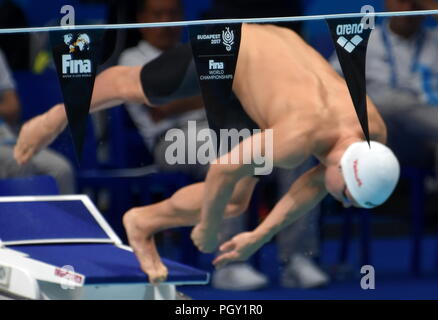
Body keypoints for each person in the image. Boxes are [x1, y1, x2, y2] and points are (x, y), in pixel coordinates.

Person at [14, 23, 400, 284]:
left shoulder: (372, 134)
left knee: (234, 202)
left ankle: (142, 223)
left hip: (262, 94)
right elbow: (222, 168)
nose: (345, 205)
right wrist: (209, 227)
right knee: (136, 87)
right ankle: (54, 116)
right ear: (347, 170)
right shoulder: (298, 138)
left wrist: (258, 236)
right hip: (235, 48)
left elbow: (316, 184)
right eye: (349, 196)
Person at [331, 0, 438, 168]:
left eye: (415, 4)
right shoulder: (363, 39)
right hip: (378, 125)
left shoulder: (435, 39)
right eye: (401, 1)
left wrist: (430, 5)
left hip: (425, 132)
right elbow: (331, 80)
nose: (407, 7)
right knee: (393, 104)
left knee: (403, 105)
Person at [0, 49, 75, 194]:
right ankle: (19, 216)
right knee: (19, 163)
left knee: (61, 169)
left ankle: (59, 217)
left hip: (7, 137)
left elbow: (12, 107)